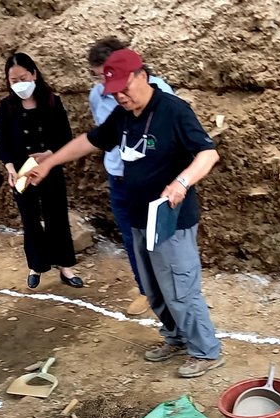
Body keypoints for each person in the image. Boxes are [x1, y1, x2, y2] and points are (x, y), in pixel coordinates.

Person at [27, 49, 225, 378]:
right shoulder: (123, 115)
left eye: (124, 88)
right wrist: (48, 163)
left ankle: (206, 351)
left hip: (170, 219)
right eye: (113, 91)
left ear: (142, 76)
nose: (119, 96)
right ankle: (174, 338)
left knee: (179, 287)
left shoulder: (174, 110)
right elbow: (89, 141)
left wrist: (181, 182)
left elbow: (208, 154)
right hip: (137, 216)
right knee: (154, 286)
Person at [87, 38, 175, 315]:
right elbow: (101, 136)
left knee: (161, 239)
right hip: (119, 178)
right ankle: (146, 290)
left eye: (108, 75)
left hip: (152, 181)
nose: (105, 84)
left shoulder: (158, 92)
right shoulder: (96, 96)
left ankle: (172, 292)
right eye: (99, 77)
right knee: (131, 237)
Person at [0, 53, 82, 290]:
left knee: (57, 216)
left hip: (50, 167)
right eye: (14, 80)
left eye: (23, 77)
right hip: (22, 172)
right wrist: (11, 170)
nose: (19, 84)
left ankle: (65, 265)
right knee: (30, 219)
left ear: (34, 74)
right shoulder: (6, 107)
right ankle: (36, 265)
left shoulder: (52, 101)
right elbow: (2, 144)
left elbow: (65, 136)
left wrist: (51, 154)